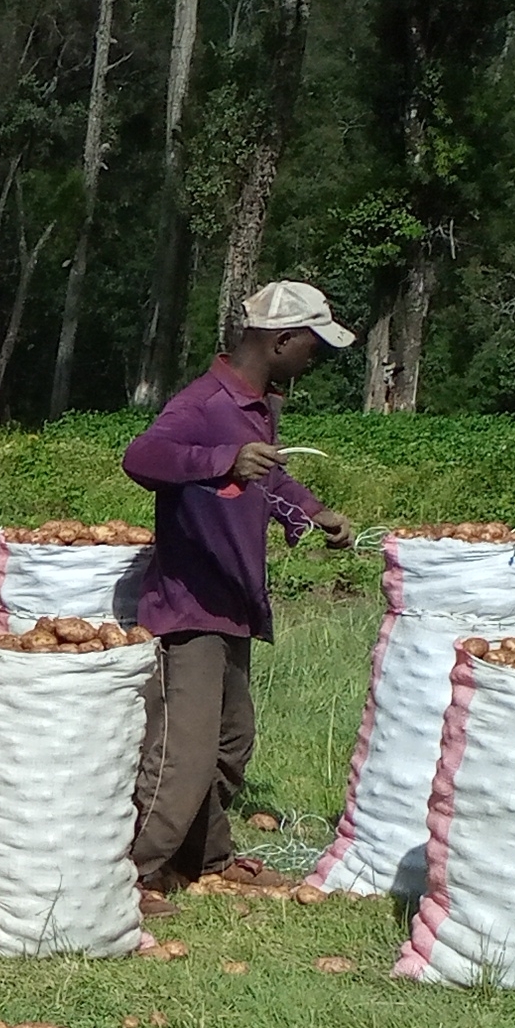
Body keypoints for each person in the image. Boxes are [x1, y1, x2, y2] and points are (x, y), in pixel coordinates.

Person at [120, 280, 357, 897]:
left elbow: (264, 480)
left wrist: (311, 512)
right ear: (283, 339)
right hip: (188, 606)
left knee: (231, 744)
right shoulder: (205, 402)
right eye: (313, 344)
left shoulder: (258, 404)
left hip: (233, 604)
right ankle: (126, 876)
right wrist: (222, 459)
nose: (316, 357)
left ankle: (209, 858)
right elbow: (143, 457)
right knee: (183, 754)